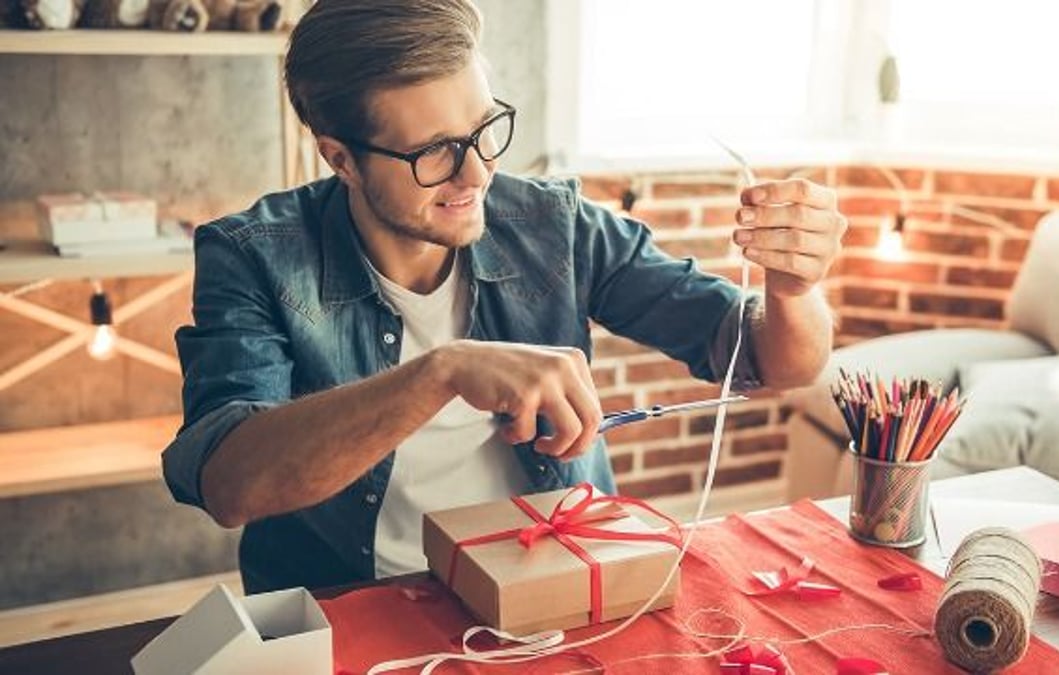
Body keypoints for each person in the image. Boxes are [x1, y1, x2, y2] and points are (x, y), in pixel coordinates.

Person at [162, 0, 847, 594]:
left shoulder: (554, 223)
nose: (479, 171)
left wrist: (794, 288)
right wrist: (442, 371)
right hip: (357, 601)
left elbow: (776, 362)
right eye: (435, 151)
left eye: (485, 129)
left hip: (559, 580)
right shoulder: (253, 253)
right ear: (340, 158)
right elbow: (230, 482)